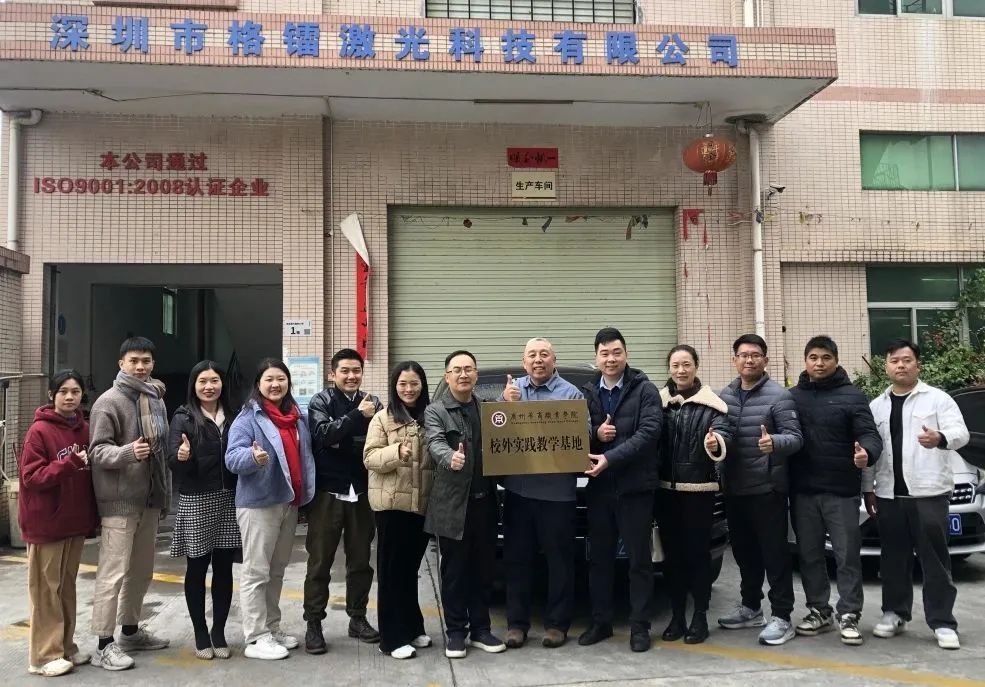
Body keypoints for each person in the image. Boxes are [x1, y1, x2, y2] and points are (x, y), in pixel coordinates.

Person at [863, 339, 970, 650]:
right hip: (889, 495)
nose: (901, 365)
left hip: (928, 493)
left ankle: (943, 621)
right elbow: (871, 451)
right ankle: (895, 613)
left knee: (934, 559)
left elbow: (961, 434)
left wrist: (940, 437)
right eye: (894, 360)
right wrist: (868, 488)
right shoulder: (876, 406)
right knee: (893, 558)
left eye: (907, 360)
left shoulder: (937, 399)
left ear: (917, 365)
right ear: (886, 366)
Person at [789, 336, 882, 646]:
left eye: (826, 357)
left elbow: (869, 434)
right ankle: (819, 610)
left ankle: (850, 613)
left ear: (836, 360)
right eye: (813, 357)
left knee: (846, 556)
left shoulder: (853, 397)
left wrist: (866, 453)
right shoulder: (792, 398)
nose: (819, 363)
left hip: (841, 491)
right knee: (809, 555)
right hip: (803, 491)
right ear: (805, 361)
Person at [88, 337, 171, 671]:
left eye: (146, 361)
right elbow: (96, 451)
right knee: (113, 574)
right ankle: (103, 644)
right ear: (121, 363)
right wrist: (127, 452)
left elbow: (161, 451)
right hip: (119, 502)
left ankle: (131, 631)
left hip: (149, 499)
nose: (140, 366)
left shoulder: (156, 398)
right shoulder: (108, 402)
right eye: (134, 360)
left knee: (141, 571)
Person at [578, 327, 662, 653]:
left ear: (626, 354)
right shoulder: (588, 392)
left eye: (616, 352)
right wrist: (596, 435)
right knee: (599, 559)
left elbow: (649, 433)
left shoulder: (645, 390)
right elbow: (576, 435)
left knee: (639, 561)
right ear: (596, 357)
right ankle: (601, 622)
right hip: (599, 490)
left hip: (635, 488)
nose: (610, 359)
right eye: (604, 353)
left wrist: (609, 458)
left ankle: (640, 627)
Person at [226, 358, 316, 660]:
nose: (275, 384)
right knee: (256, 571)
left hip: (287, 503)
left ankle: (272, 628)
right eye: (269, 379)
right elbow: (232, 458)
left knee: (276, 571)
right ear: (259, 384)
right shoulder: (248, 418)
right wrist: (253, 459)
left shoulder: (296, 416)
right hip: (258, 505)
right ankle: (255, 637)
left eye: (281, 378)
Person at [717, 334, 803, 646]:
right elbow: (719, 431)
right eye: (743, 355)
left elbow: (796, 437)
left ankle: (782, 616)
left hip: (768, 489)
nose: (749, 360)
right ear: (734, 360)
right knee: (744, 554)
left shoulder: (779, 396)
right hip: (734, 488)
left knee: (774, 555)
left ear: (765, 360)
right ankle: (751, 607)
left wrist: (774, 442)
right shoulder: (725, 395)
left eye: (755, 355)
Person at [499, 337, 583, 650]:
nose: (538, 360)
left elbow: (583, 435)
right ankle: (516, 625)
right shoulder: (511, 391)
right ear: (524, 362)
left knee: (560, 562)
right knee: (517, 560)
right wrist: (505, 404)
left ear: (553, 360)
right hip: (518, 492)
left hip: (558, 494)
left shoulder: (571, 394)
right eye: (532, 355)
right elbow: (494, 433)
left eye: (544, 354)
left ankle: (557, 625)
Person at [424, 350, 506, 659]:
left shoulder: (486, 409)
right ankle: (456, 632)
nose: (463, 374)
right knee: (455, 572)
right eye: (457, 369)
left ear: (476, 375)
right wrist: (450, 457)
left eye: (468, 369)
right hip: (452, 505)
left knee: (483, 570)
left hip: (485, 503)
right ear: (447, 376)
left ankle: (481, 629)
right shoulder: (436, 411)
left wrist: (510, 404)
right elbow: (434, 442)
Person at [18, 370, 99, 677]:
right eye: (63, 391)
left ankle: (65, 647)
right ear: (52, 395)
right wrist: (69, 463)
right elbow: (31, 477)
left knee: (65, 589)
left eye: (75, 391)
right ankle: (43, 656)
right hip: (46, 524)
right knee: (45, 591)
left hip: (74, 523)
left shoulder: (84, 429)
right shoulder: (39, 431)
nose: (69, 397)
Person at [303, 348, 383, 653]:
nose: (351, 376)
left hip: (362, 491)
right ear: (332, 374)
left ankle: (357, 618)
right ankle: (313, 623)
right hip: (328, 493)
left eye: (356, 371)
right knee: (319, 561)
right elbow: (323, 435)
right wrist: (355, 419)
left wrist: (342, 438)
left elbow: (375, 442)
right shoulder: (321, 401)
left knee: (361, 560)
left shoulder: (374, 402)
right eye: (345, 371)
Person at [656, 345, 731, 646]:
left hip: (699, 492)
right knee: (672, 558)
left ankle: (699, 616)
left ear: (696, 366)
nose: (681, 370)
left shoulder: (713, 405)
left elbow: (725, 434)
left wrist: (716, 443)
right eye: (675, 365)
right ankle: (677, 616)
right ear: (669, 368)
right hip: (665, 492)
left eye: (686, 364)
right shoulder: (658, 404)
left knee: (698, 556)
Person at [167, 361, 241, 660]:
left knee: (224, 568)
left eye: (214, 380)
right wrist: (181, 456)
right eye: (202, 381)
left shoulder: (234, 415)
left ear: (222, 384)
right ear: (194, 385)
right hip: (197, 498)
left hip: (229, 498)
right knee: (197, 568)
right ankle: (200, 632)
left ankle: (218, 631)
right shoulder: (183, 417)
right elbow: (173, 461)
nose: (209, 386)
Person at [363, 361, 435, 659]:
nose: (408, 389)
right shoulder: (383, 418)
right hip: (392, 506)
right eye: (403, 384)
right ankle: (391, 639)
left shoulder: (432, 416)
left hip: (421, 504)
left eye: (414, 383)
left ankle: (412, 628)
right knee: (392, 573)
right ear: (394, 386)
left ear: (423, 385)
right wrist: (396, 452)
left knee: (409, 570)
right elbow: (369, 457)